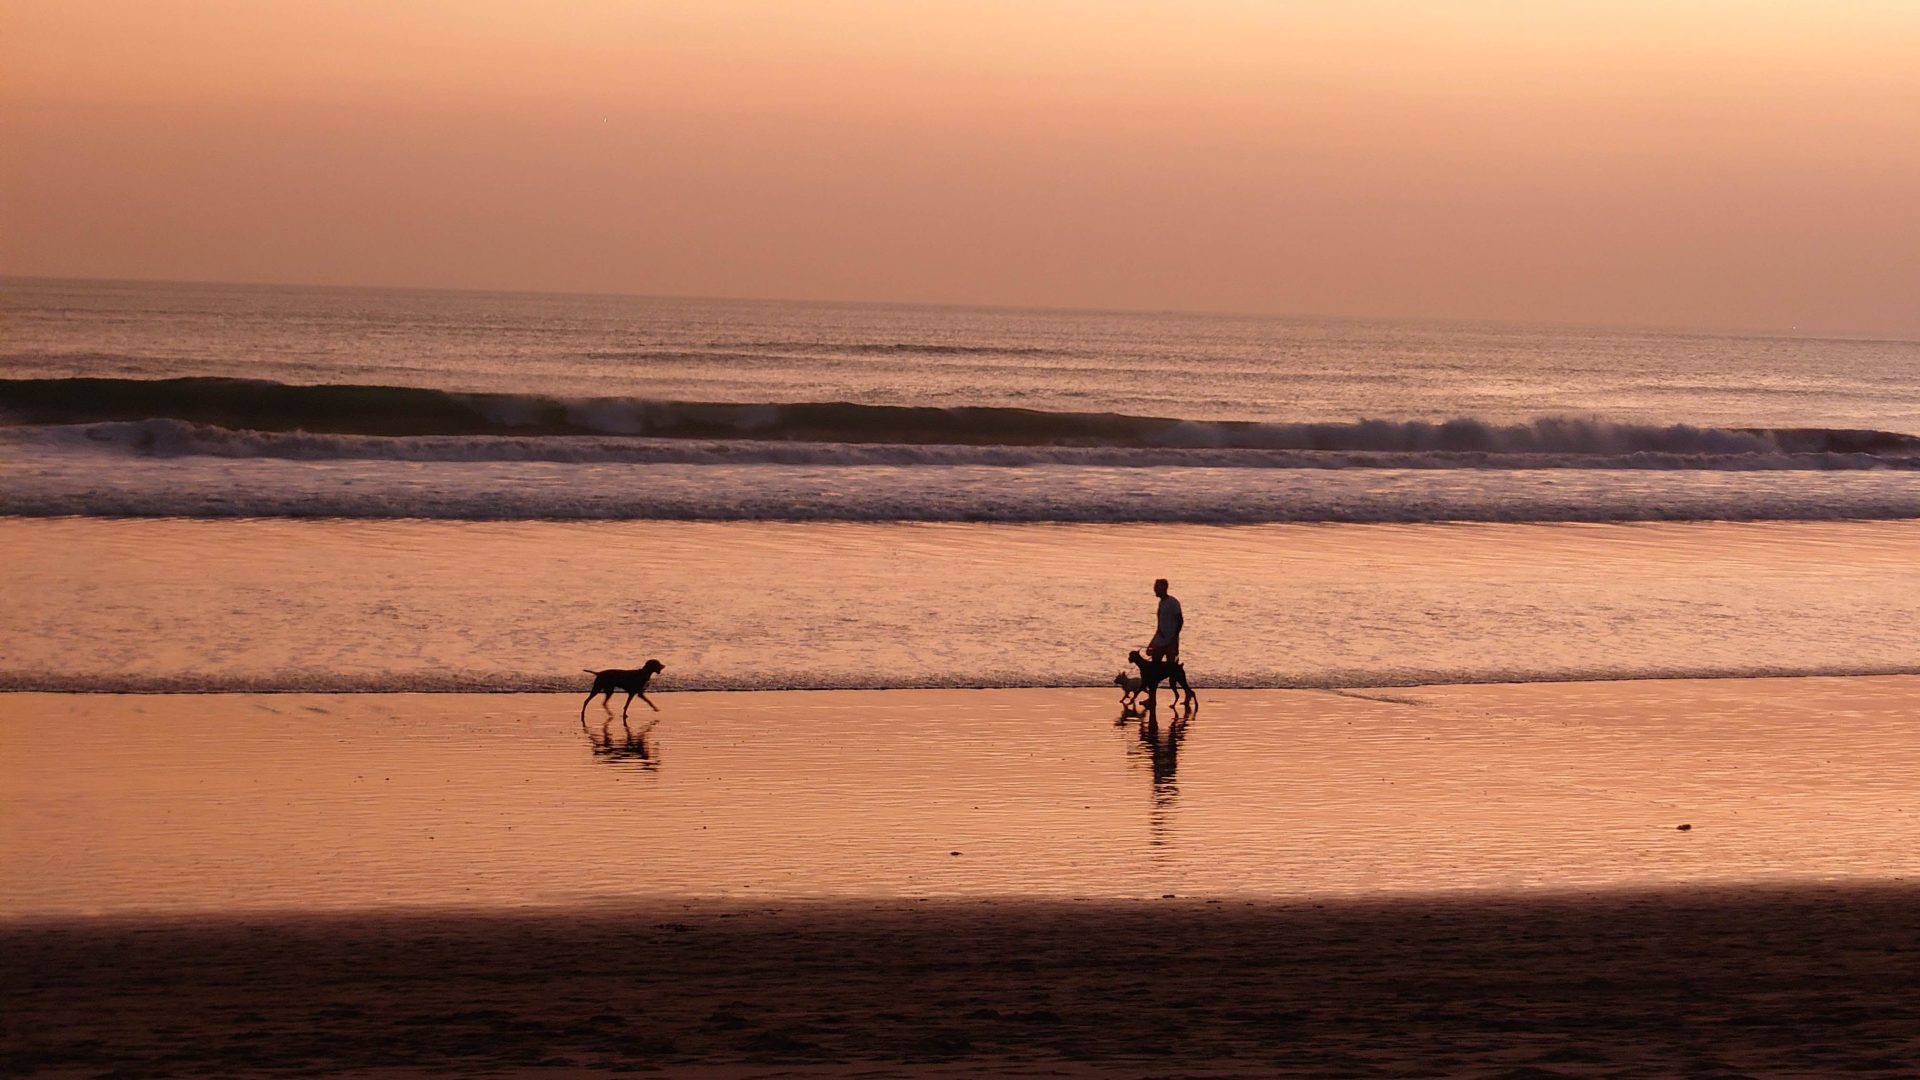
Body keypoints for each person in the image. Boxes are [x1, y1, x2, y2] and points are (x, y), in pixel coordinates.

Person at [1146, 578, 1182, 663]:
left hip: (1171, 641)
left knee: (1171, 667)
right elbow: (1160, 626)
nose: (1154, 590)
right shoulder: (1161, 603)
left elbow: (1180, 621)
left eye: (1156, 587)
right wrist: (1152, 642)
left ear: (1163, 588)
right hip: (1160, 640)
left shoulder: (1173, 602)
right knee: (1155, 665)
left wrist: (1174, 639)